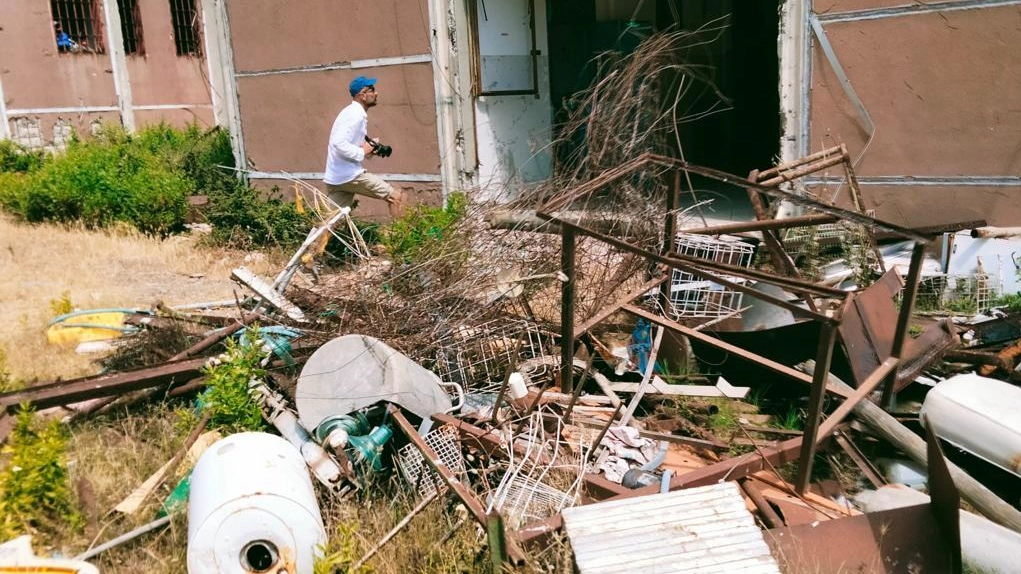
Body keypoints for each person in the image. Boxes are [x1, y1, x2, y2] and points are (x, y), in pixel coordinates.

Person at [323, 75, 402, 217]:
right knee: (396, 197)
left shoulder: (351, 112)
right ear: (362, 95)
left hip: (337, 177)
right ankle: (405, 238)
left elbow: (347, 143)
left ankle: (314, 240)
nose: (376, 93)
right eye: (372, 90)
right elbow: (338, 142)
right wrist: (362, 151)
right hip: (349, 176)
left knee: (328, 222)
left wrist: (370, 150)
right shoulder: (355, 115)